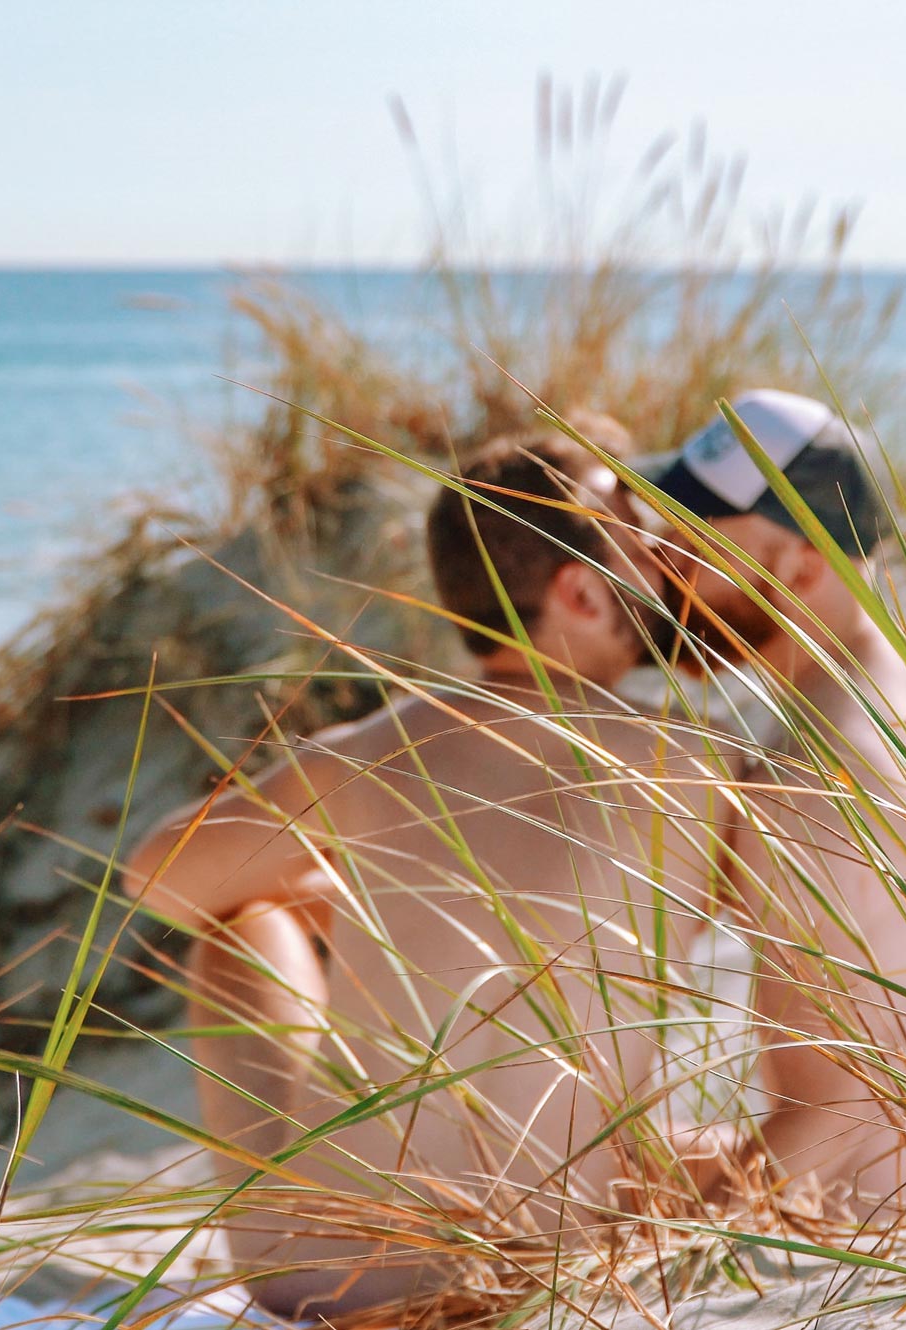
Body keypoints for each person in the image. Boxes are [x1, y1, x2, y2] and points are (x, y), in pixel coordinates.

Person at [123, 425, 722, 1317]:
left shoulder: (376, 746)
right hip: (539, 1267)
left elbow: (156, 878)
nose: (667, 558)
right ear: (583, 594)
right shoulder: (693, 769)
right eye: (641, 536)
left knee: (242, 925)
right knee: (686, 1130)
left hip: (317, 1277)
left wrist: (326, 889)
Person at [637, 389, 906, 1225]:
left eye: (694, 542)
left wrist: (671, 1244)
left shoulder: (806, 780)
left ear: (802, 564)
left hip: (902, 1219)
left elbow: (835, 1114)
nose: (663, 564)